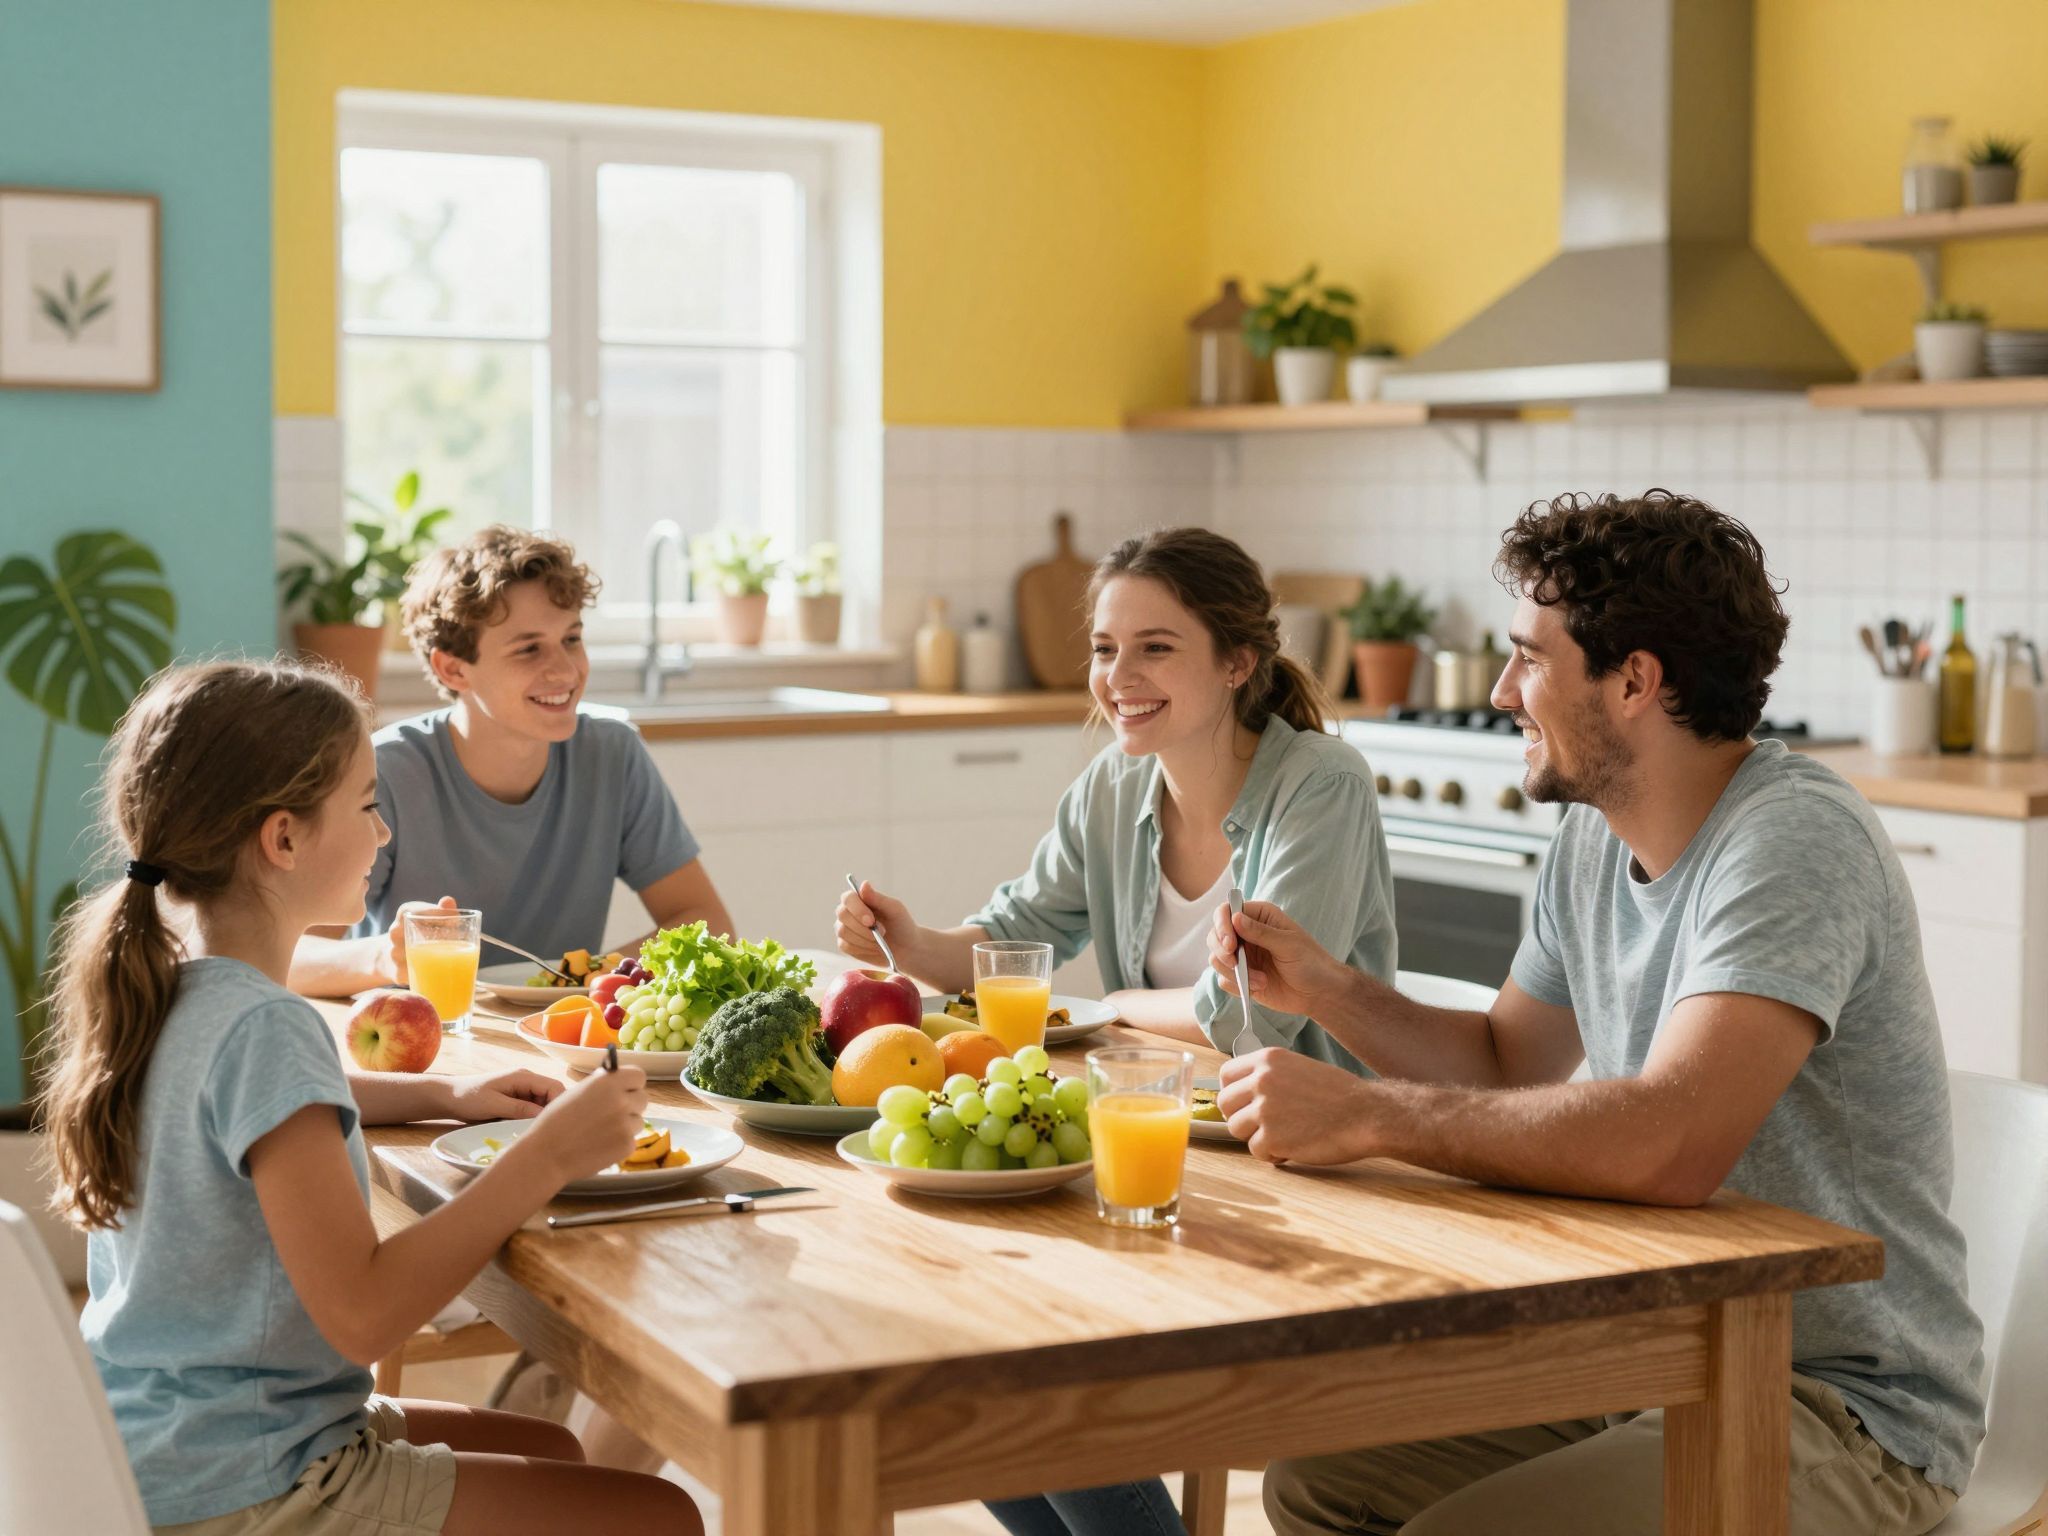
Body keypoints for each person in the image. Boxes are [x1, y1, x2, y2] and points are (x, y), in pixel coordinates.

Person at [1210, 490, 1986, 1536]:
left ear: (1634, 682)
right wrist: (1322, 989)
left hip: (1839, 1405)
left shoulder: (1793, 841)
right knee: (1320, 1479)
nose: (1497, 691)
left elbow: (1671, 1143)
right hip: (1654, 1352)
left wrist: (1366, 1115)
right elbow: (1500, 1064)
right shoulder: (1591, 837)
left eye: (1528, 658)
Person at [39, 659, 700, 1535]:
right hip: (255, 1480)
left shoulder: (172, 989)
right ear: (283, 839)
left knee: (561, 1455)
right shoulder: (266, 1029)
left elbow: (261, 1118)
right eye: (364, 805)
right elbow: (366, 1315)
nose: (383, 833)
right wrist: (552, 1155)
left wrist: (452, 1093)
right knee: (660, 1516)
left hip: (163, 1441)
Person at [838, 525, 1396, 1066]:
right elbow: (1015, 940)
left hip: (1320, 1142)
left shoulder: (1322, 784)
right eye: (1105, 649)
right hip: (1163, 1109)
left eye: (1155, 647)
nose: (1118, 676)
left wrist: (1116, 1008)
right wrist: (910, 944)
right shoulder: (1113, 785)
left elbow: (1249, 1014)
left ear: (1237, 663)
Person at [289, 524, 733, 998]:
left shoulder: (612, 755)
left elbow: (704, 921)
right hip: (424, 1044)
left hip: (560, 1033)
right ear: (453, 668)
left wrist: (584, 977)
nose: (565, 670)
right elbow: (292, 958)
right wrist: (384, 956)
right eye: (528, 649)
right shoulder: (386, 772)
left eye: (571, 639)